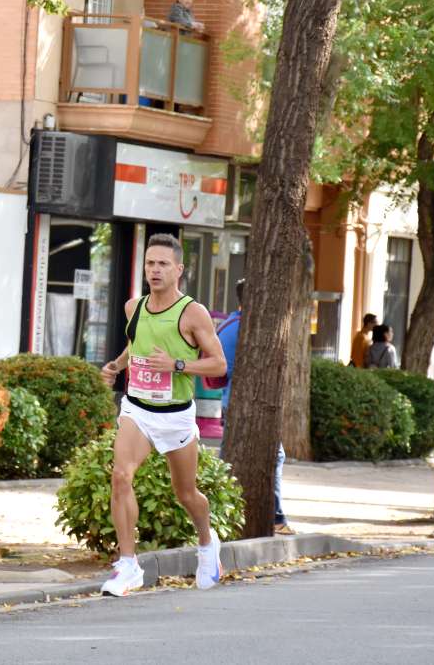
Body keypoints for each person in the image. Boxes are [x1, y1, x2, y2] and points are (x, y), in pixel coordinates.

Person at [98, 233, 228, 597]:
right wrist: (117, 365)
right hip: (137, 408)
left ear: (179, 269)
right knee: (121, 476)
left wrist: (177, 364)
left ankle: (207, 545)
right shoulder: (133, 307)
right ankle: (128, 565)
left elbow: (218, 362)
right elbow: (135, 343)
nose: (154, 270)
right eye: (150, 263)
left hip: (176, 415)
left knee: (185, 493)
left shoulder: (192, 313)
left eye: (163, 264)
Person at [216, 279, 294, 535]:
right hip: (242, 404)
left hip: (233, 402)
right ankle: (275, 517)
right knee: (266, 456)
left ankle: (267, 516)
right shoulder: (242, 327)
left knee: (238, 458)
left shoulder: (231, 324)